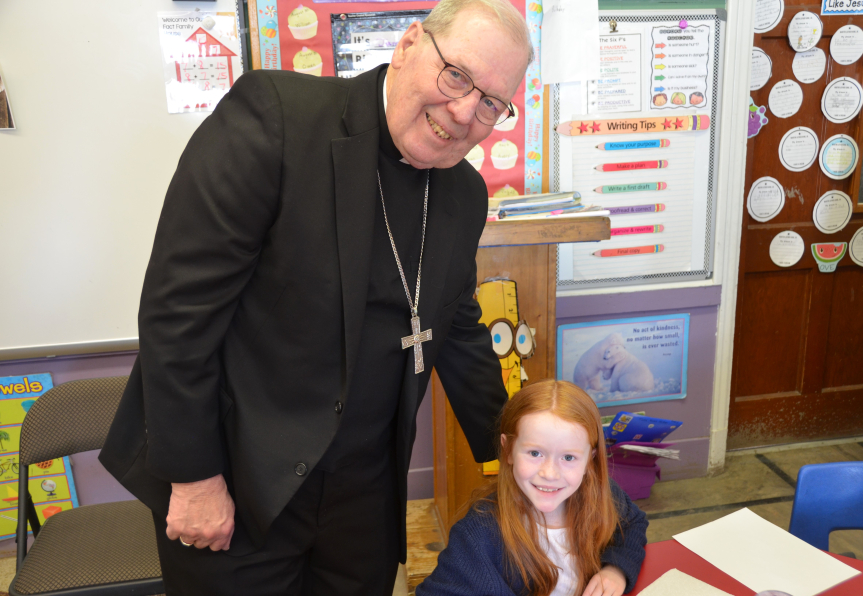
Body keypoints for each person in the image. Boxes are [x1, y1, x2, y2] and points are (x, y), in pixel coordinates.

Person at [99, 1, 532, 594]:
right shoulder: (276, 121)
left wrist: (520, 450)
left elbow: (456, 325)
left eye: (490, 103)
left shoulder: (463, 193)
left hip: (364, 495)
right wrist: (195, 478)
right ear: (408, 45)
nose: (462, 112)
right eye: (456, 75)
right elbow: (179, 314)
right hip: (238, 478)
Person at [416, 380, 648, 596]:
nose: (550, 473)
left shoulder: (601, 493)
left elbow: (633, 523)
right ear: (508, 450)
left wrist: (616, 568)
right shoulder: (478, 535)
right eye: (535, 453)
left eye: (568, 457)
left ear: (590, 460)